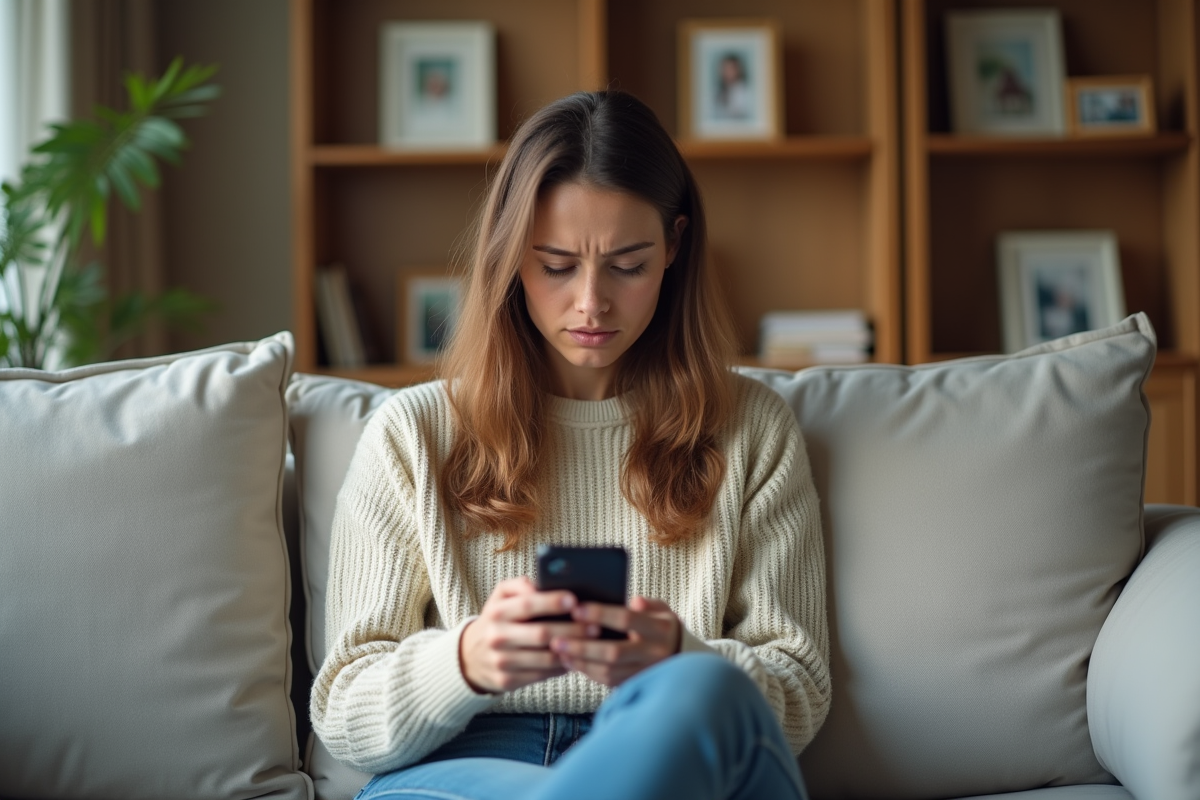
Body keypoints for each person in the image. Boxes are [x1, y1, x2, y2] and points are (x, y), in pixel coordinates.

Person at [310, 89, 830, 800]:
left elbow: (796, 690)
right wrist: (466, 661)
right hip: (467, 760)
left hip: (670, 746)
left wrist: (680, 658)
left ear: (675, 245)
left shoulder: (753, 429)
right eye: (555, 265)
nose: (591, 303)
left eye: (628, 264)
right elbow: (343, 714)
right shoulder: (412, 435)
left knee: (709, 693)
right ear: (510, 256)